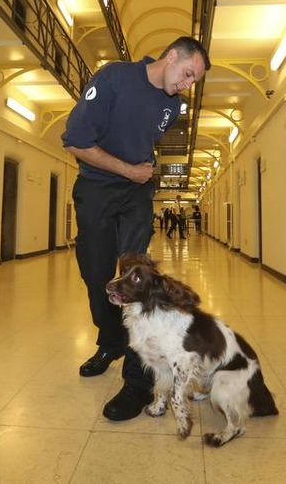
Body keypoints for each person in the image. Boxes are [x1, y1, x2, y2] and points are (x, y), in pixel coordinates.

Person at [62, 36, 210, 421]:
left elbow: (143, 140)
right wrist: (127, 169)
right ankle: (110, 341)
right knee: (97, 277)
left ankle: (137, 381)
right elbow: (76, 142)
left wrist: (140, 173)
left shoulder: (173, 105)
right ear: (171, 55)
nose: (187, 85)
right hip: (96, 186)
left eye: (194, 81)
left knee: (135, 278)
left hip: (137, 192)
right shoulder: (114, 78)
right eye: (188, 74)